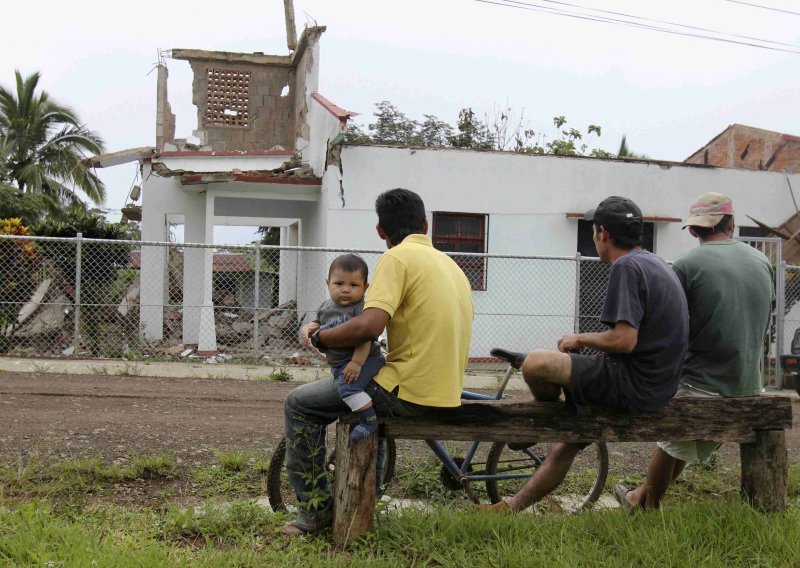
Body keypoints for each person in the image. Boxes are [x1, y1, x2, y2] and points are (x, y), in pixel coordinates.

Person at [477, 195, 689, 513]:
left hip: (634, 383)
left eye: (593, 231)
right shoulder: (655, 263)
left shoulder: (627, 267)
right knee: (567, 444)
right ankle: (510, 506)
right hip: (658, 385)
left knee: (536, 363)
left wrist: (579, 337)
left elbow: (624, 340)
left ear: (603, 233)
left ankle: (542, 420)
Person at [283, 188, 474, 535]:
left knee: (299, 404)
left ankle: (316, 511)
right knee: (372, 391)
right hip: (446, 391)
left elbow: (370, 325)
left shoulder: (397, 258)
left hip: (408, 393)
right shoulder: (451, 265)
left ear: (380, 231)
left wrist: (320, 337)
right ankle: (366, 493)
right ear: (426, 224)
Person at [615, 192, 774, 511]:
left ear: (693, 230)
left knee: (672, 439)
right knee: (684, 440)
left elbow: (670, 326)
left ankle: (648, 508)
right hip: (748, 384)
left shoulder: (687, 264)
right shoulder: (763, 260)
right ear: (730, 223)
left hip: (702, 384)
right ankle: (637, 497)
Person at [315, 253, 385, 442]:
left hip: (365, 360)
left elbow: (365, 338)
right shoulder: (325, 307)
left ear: (365, 287)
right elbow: (319, 324)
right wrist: (310, 329)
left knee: (348, 390)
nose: (346, 290)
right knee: (343, 387)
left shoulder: (361, 309)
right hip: (340, 365)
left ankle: (369, 421)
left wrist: (356, 363)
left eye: (354, 285)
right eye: (339, 284)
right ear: (328, 282)